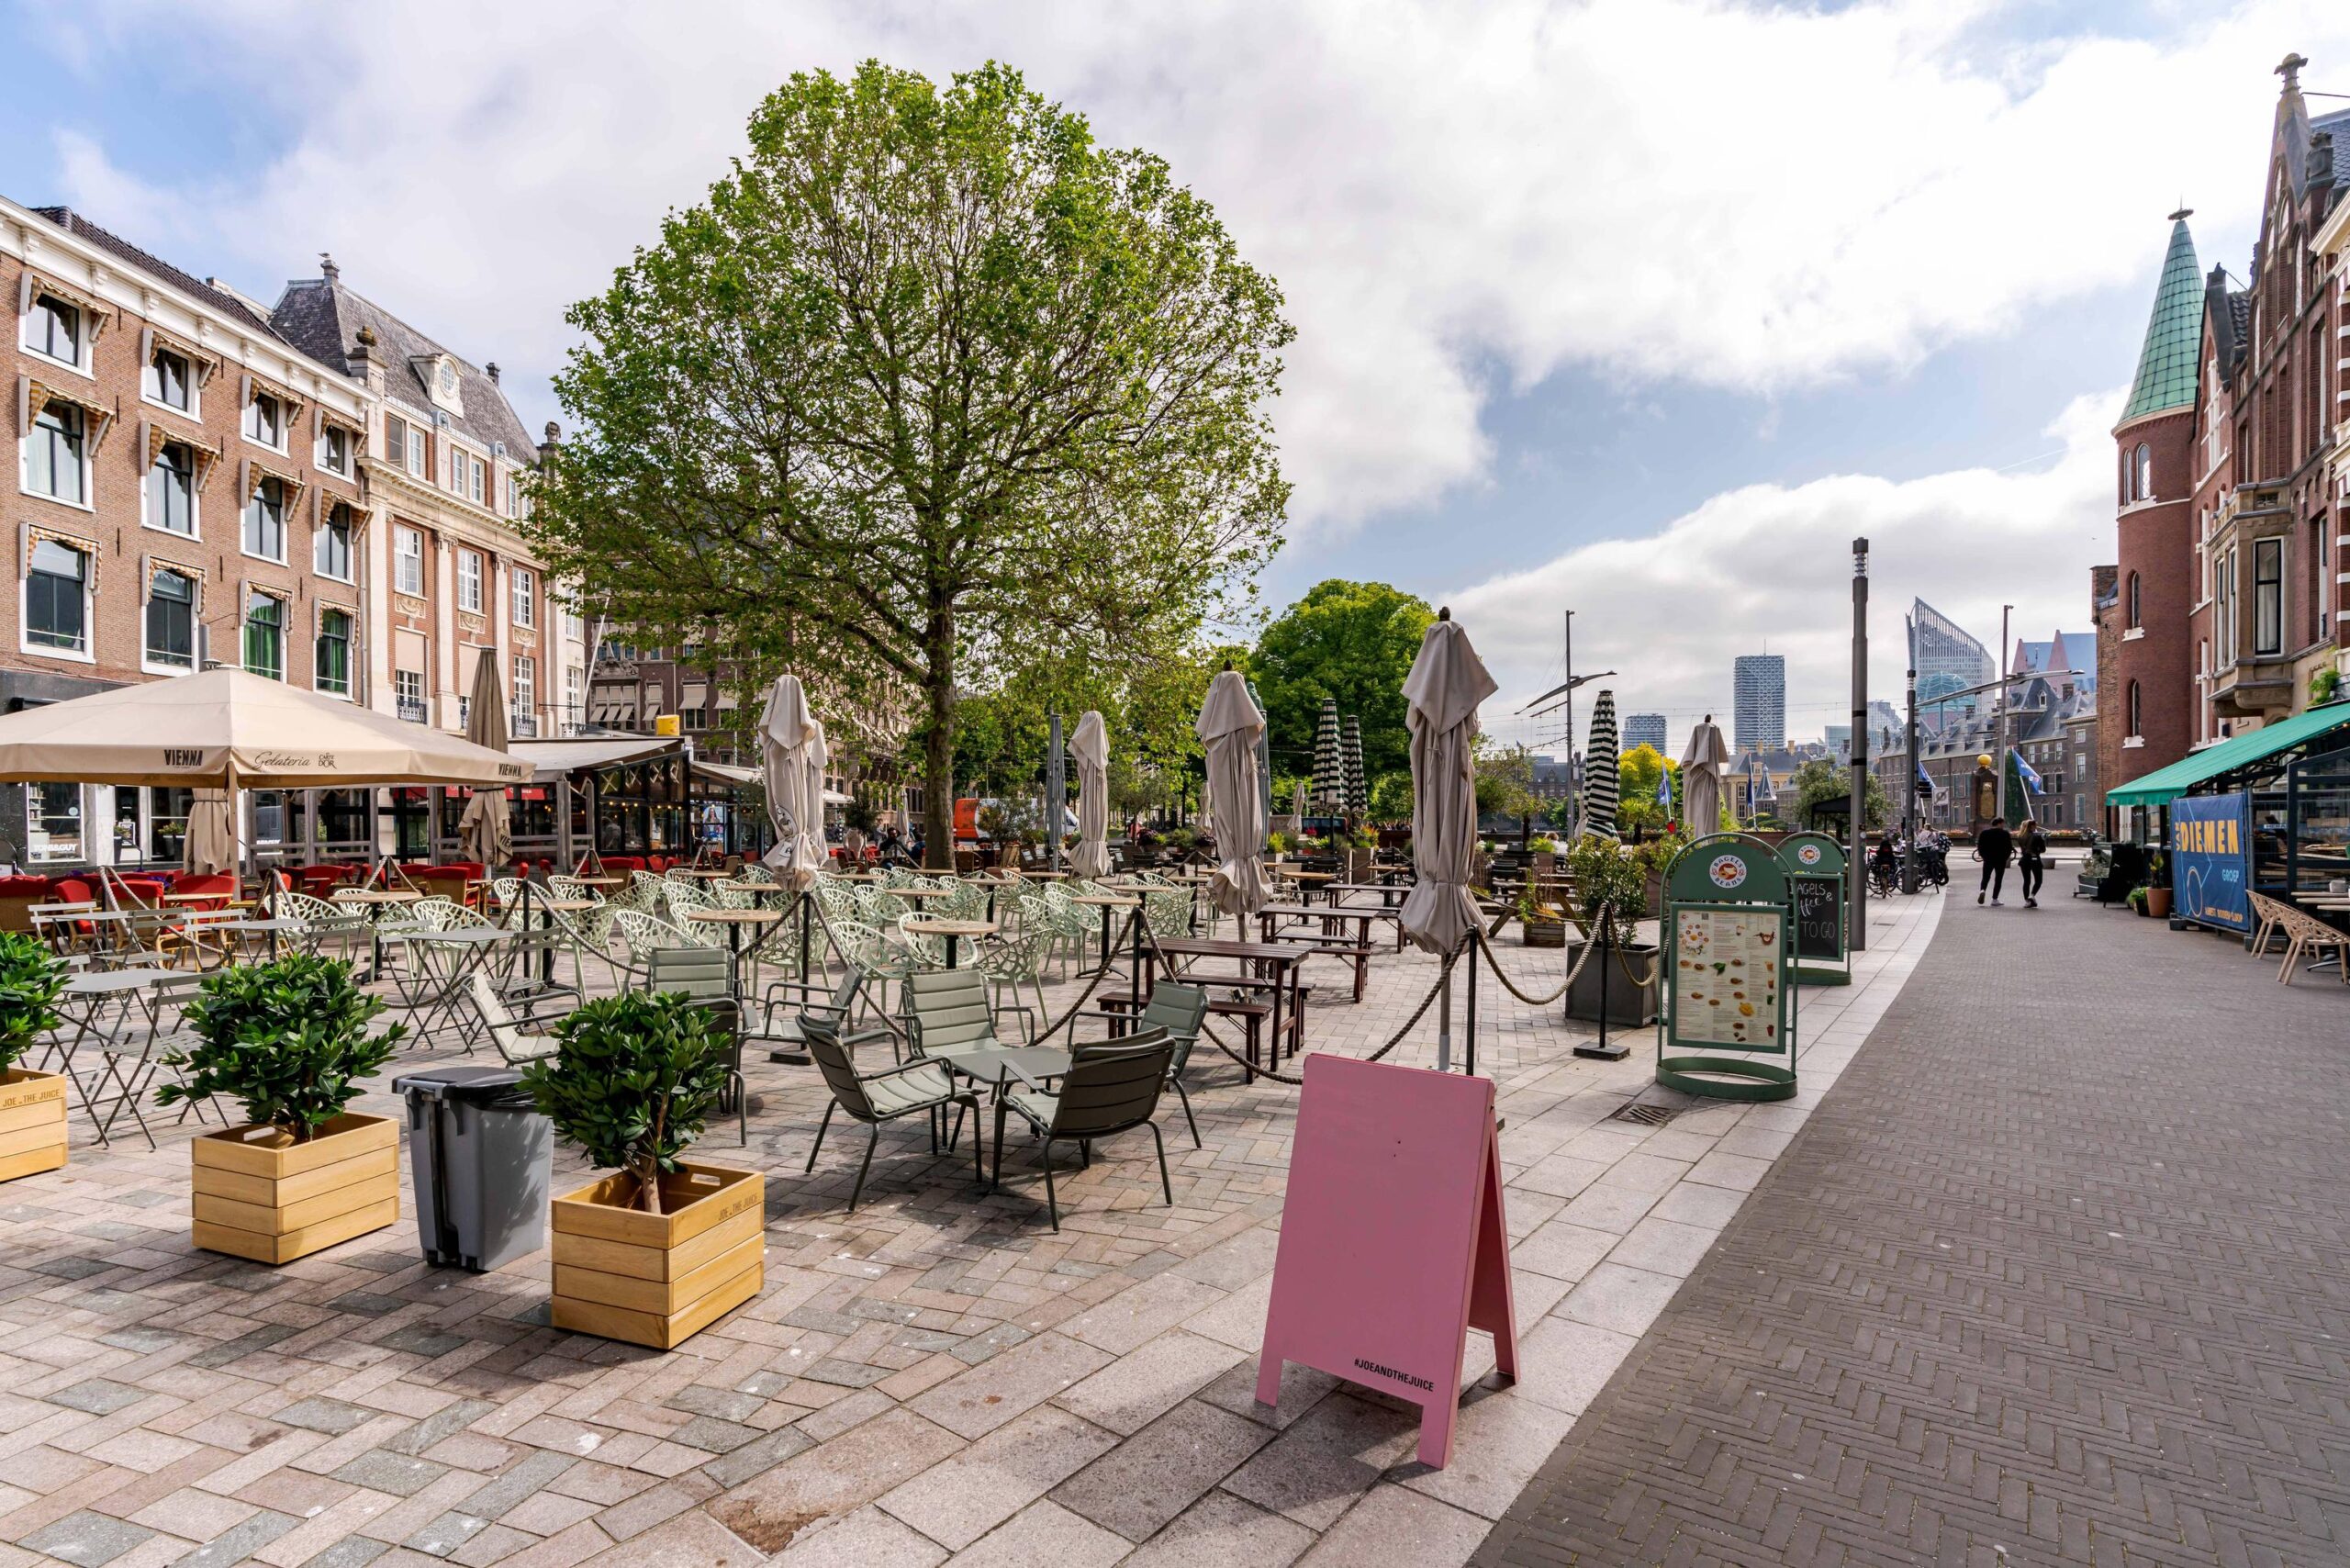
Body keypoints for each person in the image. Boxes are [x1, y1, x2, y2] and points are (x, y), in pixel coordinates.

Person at [1975, 818, 2015, 905]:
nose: (2003, 825)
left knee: (1985, 877)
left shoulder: (1984, 833)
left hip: (1988, 859)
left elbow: (1980, 846)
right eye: (2003, 824)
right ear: (1999, 824)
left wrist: (1984, 856)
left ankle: (1982, 890)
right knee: (1998, 879)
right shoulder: (2005, 834)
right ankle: (1994, 899)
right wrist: (2005, 857)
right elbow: (2009, 847)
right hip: (2000, 859)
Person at [2016, 817, 2048, 908]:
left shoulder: (2020, 836)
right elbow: (2043, 850)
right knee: (2038, 880)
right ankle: (2032, 895)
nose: (2036, 827)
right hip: (2035, 860)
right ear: (2032, 826)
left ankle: (2027, 901)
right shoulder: (2037, 836)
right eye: (2035, 825)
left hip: (2024, 860)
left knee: (2026, 881)